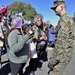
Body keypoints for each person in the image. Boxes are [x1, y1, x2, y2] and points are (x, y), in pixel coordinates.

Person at [48, 0, 75, 75]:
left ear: (61, 7)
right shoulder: (68, 19)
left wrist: (52, 61)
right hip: (66, 55)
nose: (54, 10)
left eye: (55, 8)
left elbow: (61, 44)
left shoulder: (64, 20)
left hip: (61, 57)